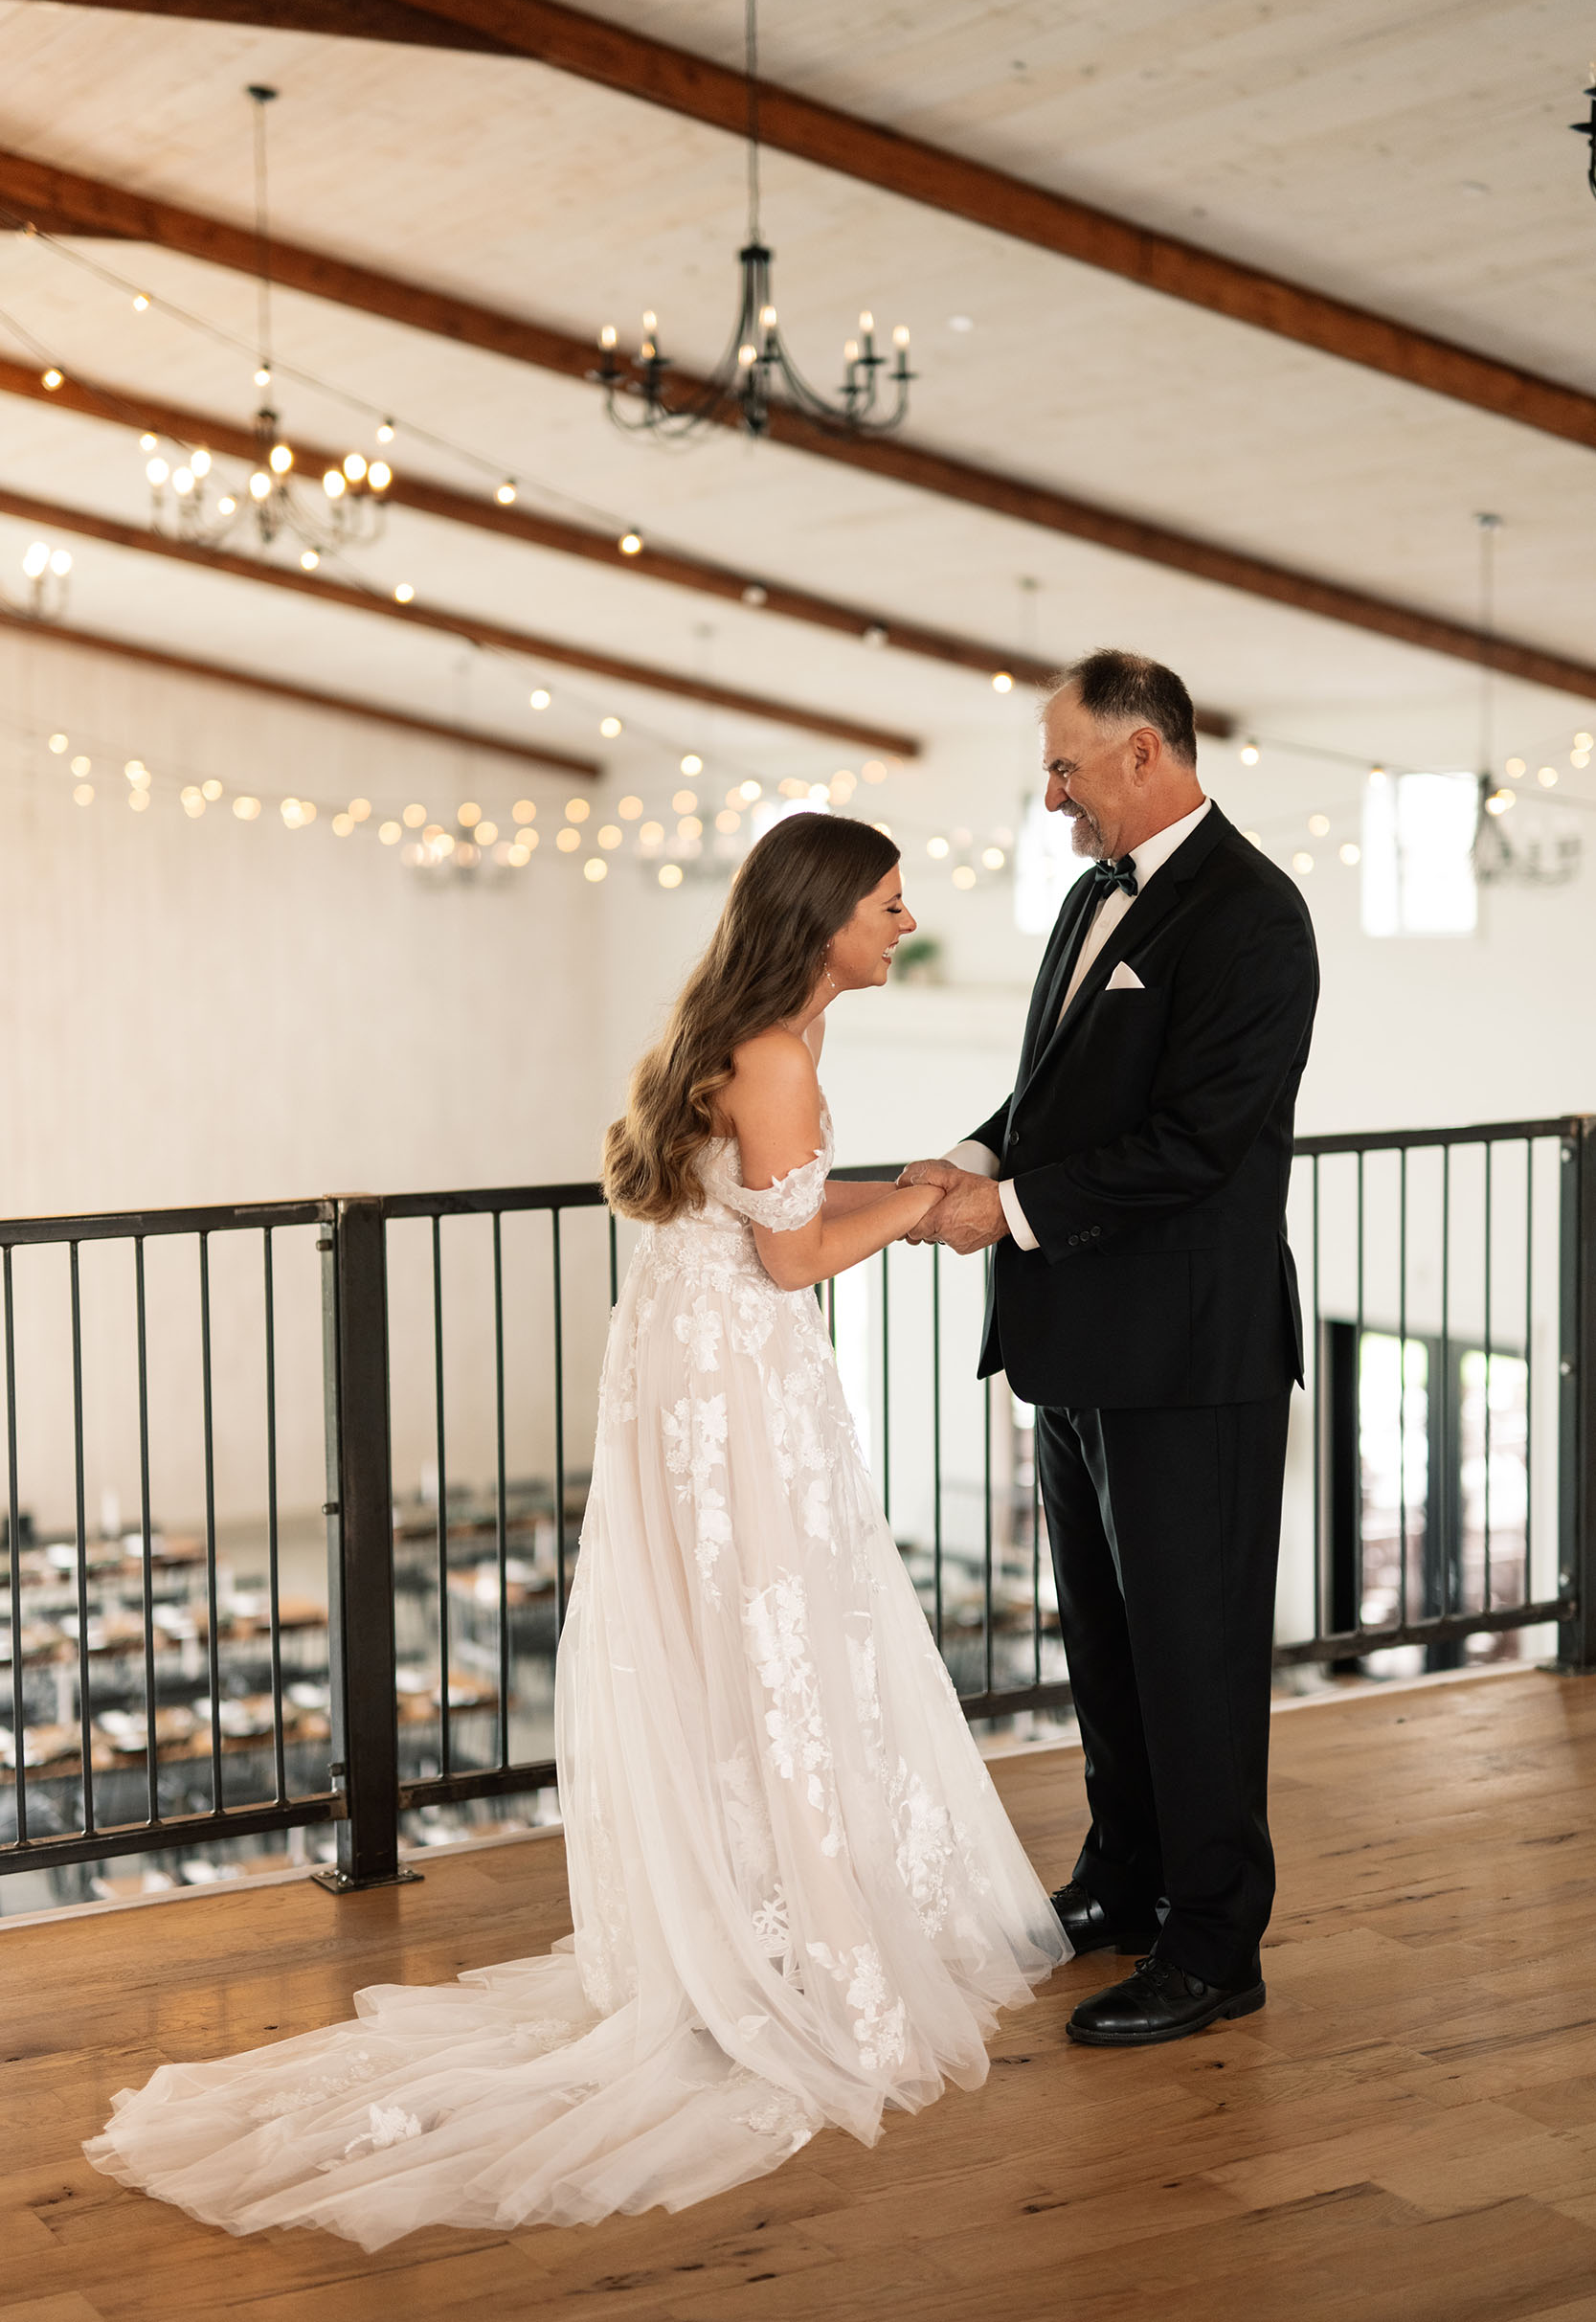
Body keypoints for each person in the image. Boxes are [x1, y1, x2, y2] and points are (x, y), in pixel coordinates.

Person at [85, 812, 1066, 2248]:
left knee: (751, 1644)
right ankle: (785, 1935)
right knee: (776, 1641)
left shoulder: (746, 1033)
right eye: (889, 902)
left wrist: (909, 1192)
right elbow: (793, 1254)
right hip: (738, 1386)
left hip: (694, 1371)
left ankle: (762, 1908)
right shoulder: (783, 1053)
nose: (904, 923)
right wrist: (920, 1206)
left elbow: (764, 1207)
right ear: (822, 918)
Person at [902, 649, 1318, 2049]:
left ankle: (1214, 1947)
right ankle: (1124, 1884)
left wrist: (1003, 1210)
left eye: (1067, 765)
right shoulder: (1092, 894)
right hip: (1078, 1346)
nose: (1052, 793)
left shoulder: (1257, 916)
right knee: (1109, 1648)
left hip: (1192, 1359)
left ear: (1146, 752)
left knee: (1195, 1660)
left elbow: (1200, 1145)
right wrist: (966, 1155)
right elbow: (1057, 1093)